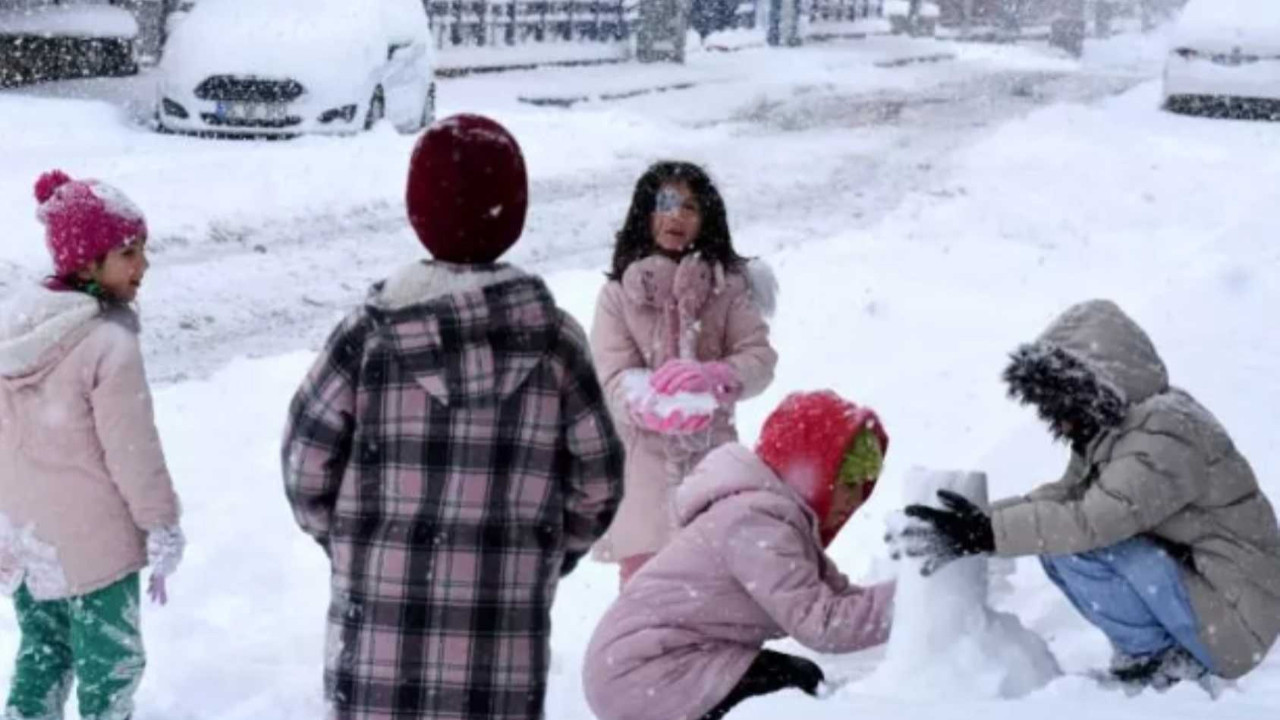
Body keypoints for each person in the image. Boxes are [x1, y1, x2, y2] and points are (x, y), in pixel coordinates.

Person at [281, 114, 625, 720]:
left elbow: (306, 462)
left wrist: (353, 543)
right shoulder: (555, 342)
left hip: (378, 646)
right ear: (513, 215)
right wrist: (544, 549)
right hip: (501, 645)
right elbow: (597, 480)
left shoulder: (368, 337)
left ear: (418, 212)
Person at [899, 299, 1280, 691]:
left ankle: (1159, 660)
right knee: (1056, 539)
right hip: (1219, 599)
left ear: (1093, 387)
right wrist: (980, 522)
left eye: (1063, 404)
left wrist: (989, 532)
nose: (1060, 421)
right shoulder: (1123, 427)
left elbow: (1092, 520)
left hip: (1238, 622)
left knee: (1072, 544)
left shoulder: (1165, 433)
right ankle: (1154, 654)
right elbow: (1065, 498)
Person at [584, 390, 894, 720]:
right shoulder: (754, 522)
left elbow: (840, 598)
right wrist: (911, 598)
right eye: (847, 482)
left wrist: (921, 584)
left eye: (863, 485)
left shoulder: (773, 520)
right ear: (812, 469)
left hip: (643, 666)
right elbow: (825, 624)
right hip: (641, 673)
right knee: (796, 684)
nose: (853, 499)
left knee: (792, 680)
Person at [0, 170, 184, 720]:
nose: (143, 265)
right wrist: (161, 523)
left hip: (33, 544)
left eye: (143, 249)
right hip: (97, 552)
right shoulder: (107, 345)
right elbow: (134, 452)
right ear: (86, 263)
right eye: (128, 252)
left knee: (44, 657)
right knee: (113, 669)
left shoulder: (12, 335)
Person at [589, 160, 778, 586]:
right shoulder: (618, 296)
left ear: (706, 219)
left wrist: (715, 377)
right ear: (645, 213)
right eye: (666, 203)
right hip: (644, 473)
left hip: (712, 463)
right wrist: (649, 403)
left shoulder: (727, 289)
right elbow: (612, 372)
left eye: (690, 207)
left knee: (714, 583)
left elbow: (760, 359)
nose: (676, 216)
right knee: (644, 593)